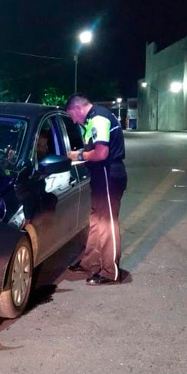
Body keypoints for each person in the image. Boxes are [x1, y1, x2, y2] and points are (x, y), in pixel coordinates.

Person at [66, 94, 128, 285]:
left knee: (107, 223)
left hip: (108, 175)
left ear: (78, 108)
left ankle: (110, 271)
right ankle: (90, 262)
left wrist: (79, 155)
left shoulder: (99, 119)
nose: (73, 121)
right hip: (102, 176)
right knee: (96, 221)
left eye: (72, 116)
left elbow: (101, 153)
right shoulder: (96, 118)